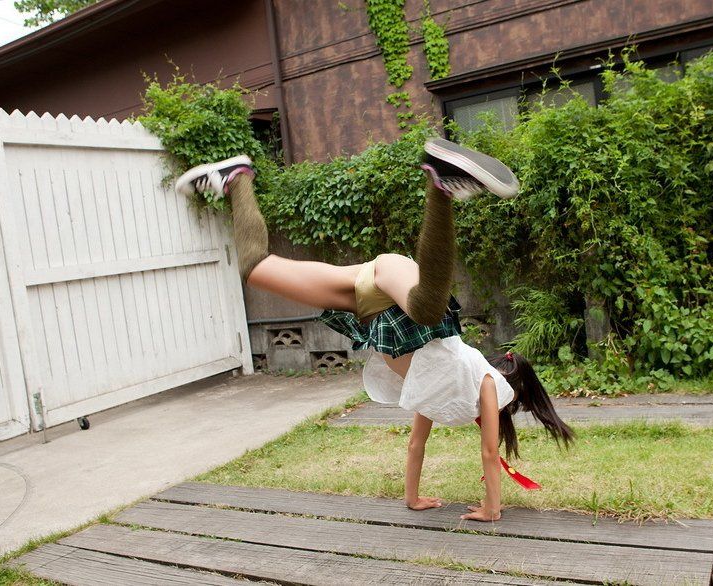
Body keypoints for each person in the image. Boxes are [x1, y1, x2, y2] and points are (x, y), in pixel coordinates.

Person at [176, 138, 574, 522]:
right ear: (510, 389)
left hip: (366, 296)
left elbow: (417, 443)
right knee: (426, 309)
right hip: (395, 286)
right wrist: (492, 509)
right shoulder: (484, 382)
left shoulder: (439, 387)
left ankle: (237, 177)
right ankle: (440, 184)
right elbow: (488, 453)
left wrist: (412, 498)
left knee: (255, 268)